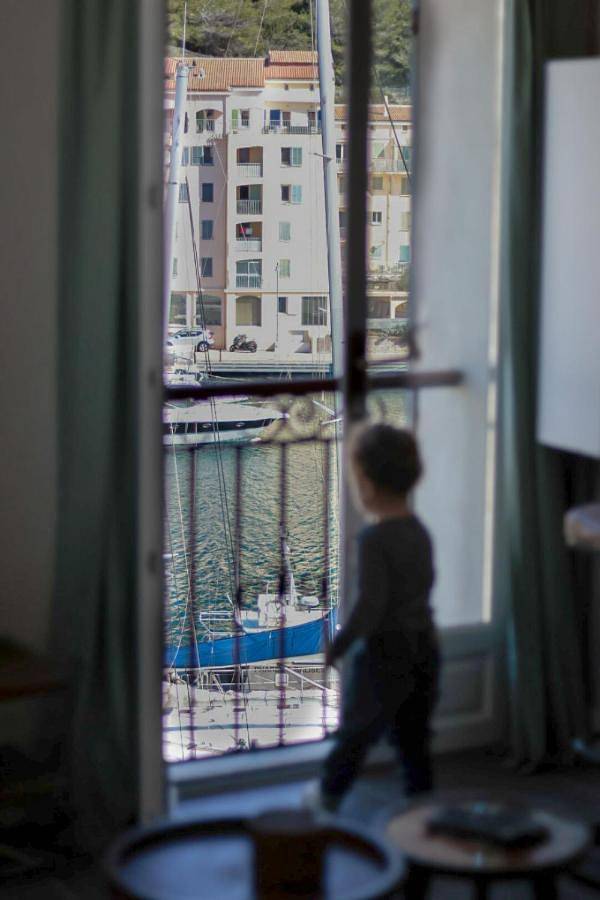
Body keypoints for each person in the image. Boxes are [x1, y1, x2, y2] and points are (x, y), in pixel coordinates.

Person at [308, 422, 439, 812]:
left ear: (365, 482)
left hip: (387, 653)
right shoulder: (420, 532)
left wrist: (341, 644)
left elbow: (371, 604)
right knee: (413, 737)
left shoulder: (373, 540)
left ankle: (327, 797)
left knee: (356, 732)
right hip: (425, 648)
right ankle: (422, 805)